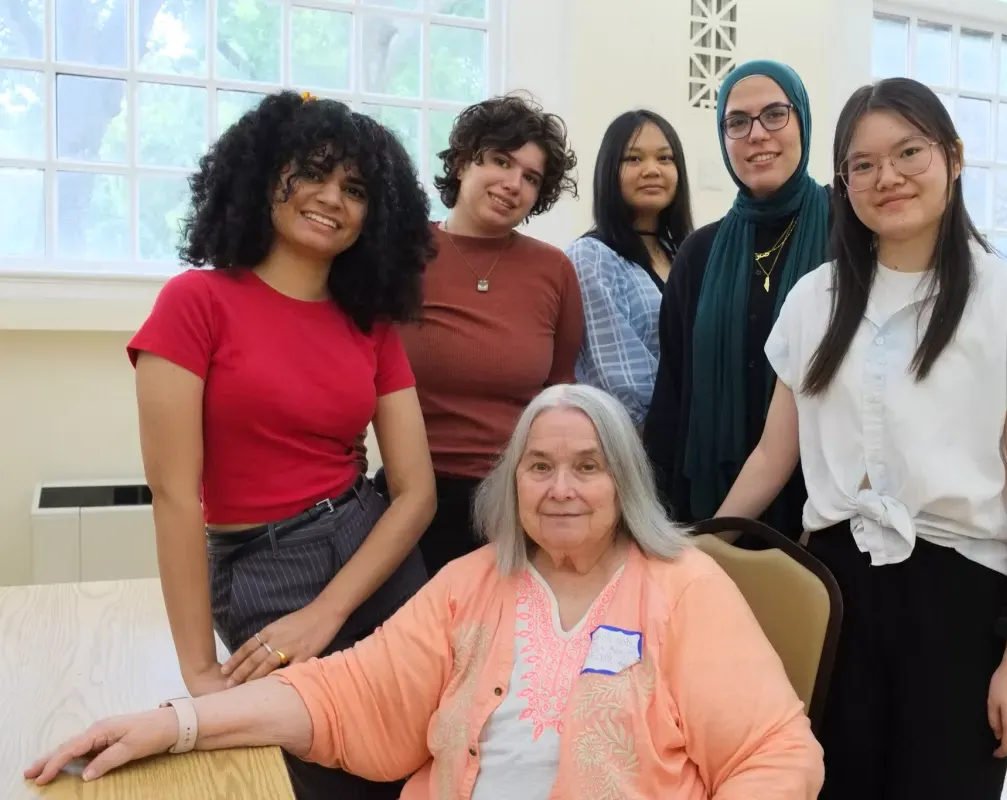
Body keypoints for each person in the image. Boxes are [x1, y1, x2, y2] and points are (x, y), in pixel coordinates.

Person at [27, 384, 826, 800]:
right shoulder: (472, 584)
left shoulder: (686, 589)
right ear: (511, 483)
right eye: (538, 467)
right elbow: (343, 693)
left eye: (589, 466)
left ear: (626, 483)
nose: (562, 489)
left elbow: (776, 755)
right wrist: (177, 723)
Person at [716, 77, 1007, 800]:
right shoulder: (813, 300)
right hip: (831, 595)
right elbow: (772, 455)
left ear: (953, 156)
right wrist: (701, 552)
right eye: (863, 164)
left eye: (909, 152)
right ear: (842, 182)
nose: (888, 177)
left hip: (960, 599)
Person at [124, 90, 438, 799]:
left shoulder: (371, 326)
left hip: (372, 548)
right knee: (329, 772)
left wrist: (328, 610)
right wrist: (199, 670)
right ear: (266, 175)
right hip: (265, 567)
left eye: (355, 189)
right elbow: (175, 497)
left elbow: (415, 493)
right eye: (313, 173)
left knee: (428, 752)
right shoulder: (195, 304)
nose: (332, 198)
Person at [389, 93, 585, 577]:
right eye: (501, 160)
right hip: (412, 497)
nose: (513, 183)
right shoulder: (401, 253)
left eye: (531, 177)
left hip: (514, 502)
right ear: (462, 163)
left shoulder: (554, 270)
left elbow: (559, 393)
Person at [642, 61, 830, 532]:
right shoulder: (698, 253)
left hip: (826, 508)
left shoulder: (848, 234)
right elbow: (672, 395)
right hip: (710, 500)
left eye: (775, 115)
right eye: (737, 122)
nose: (757, 134)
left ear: (802, 120)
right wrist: (656, 517)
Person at [566, 109, 694, 427]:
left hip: (701, 442)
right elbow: (617, 383)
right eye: (633, 160)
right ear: (609, 171)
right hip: (636, 445)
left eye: (665, 159)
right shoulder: (592, 257)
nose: (652, 170)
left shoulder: (688, 253)